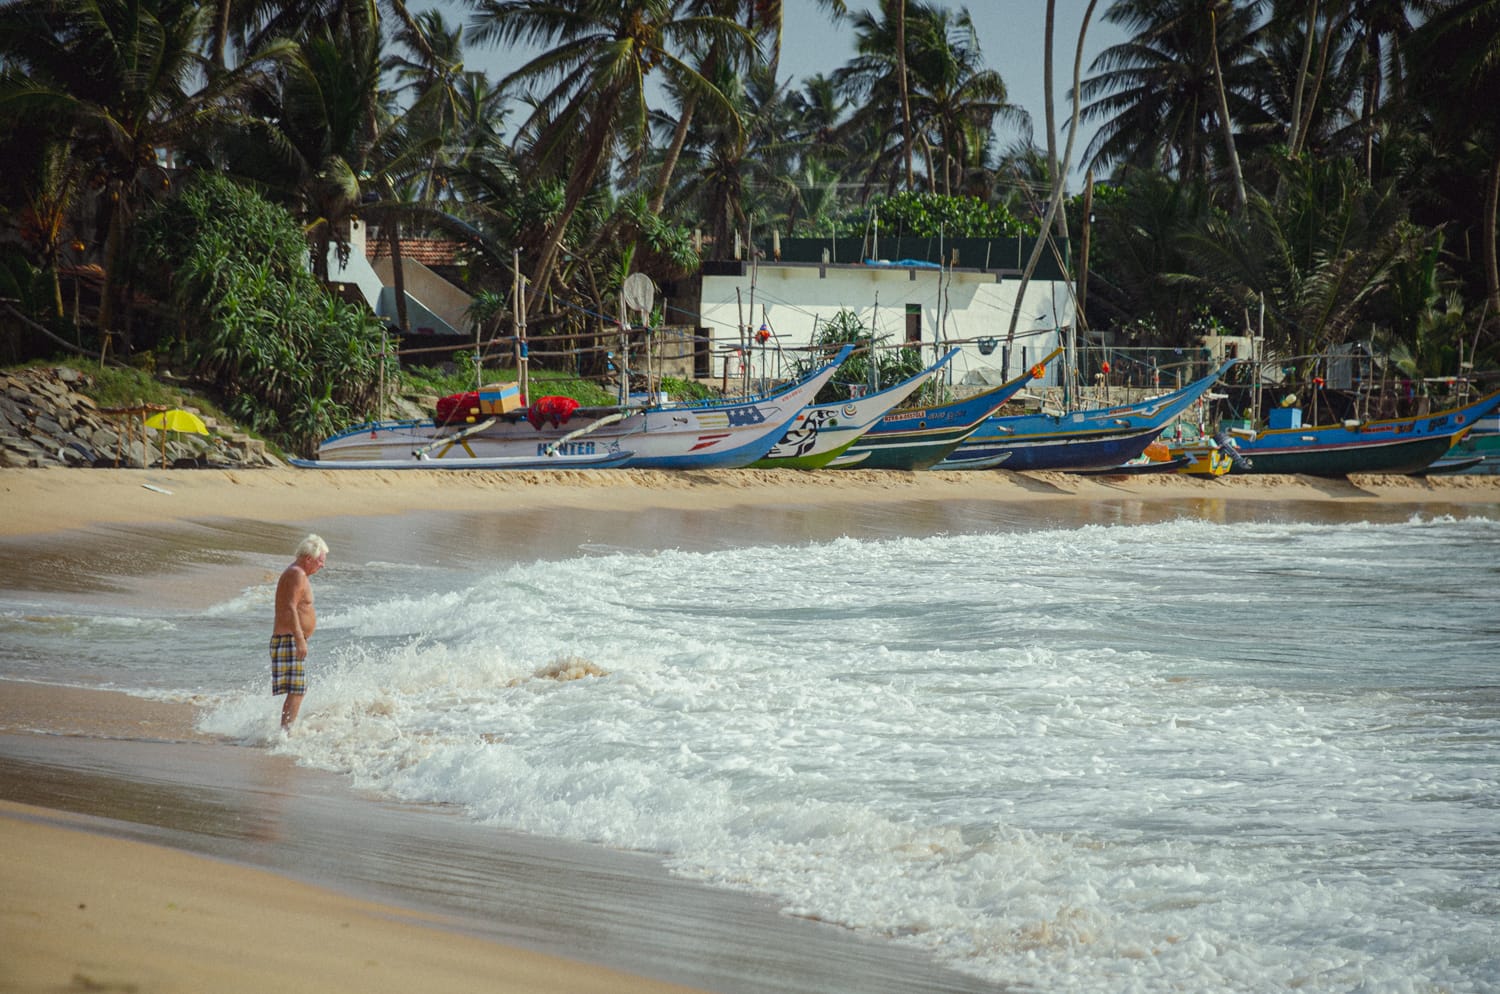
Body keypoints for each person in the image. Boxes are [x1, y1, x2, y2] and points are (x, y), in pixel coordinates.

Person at [270, 534, 327, 730]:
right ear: (309, 558)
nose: (322, 565)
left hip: (290, 639)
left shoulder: (297, 573)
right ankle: (285, 734)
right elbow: (290, 607)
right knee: (297, 690)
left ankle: (285, 732)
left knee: (297, 690)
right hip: (289, 639)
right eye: (320, 561)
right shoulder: (297, 574)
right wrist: (299, 639)